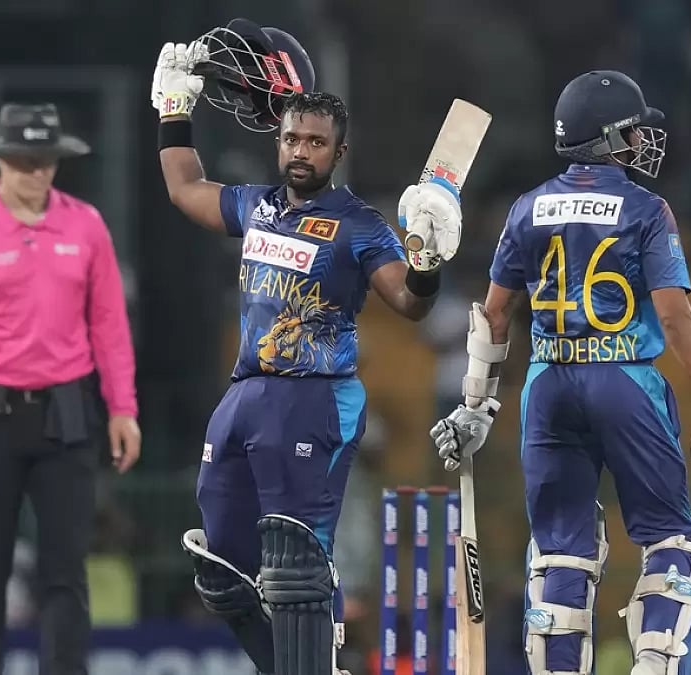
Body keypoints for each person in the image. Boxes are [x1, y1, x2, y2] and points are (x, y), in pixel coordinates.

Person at [150, 24, 464, 675]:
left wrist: (427, 261)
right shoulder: (257, 206)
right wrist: (174, 114)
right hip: (244, 394)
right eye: (292, 138)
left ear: (338, 152)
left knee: (295, 567)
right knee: (221, 568)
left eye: (316, 143)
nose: (301, 151)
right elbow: (185, 188)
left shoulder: (359, 225)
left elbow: (408, 300)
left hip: (314, 398)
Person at [428, 71, 691, 675]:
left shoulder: (527, 207)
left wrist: (475, 405)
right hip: (622, 379)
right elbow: (675, 315)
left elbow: (495, 314)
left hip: (546, 384)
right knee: (670, 539)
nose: (640, 141)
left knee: (560, 553)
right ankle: (654, 663)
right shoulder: (645, 209)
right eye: (631, 131)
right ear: (605, 137)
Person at [0, 102, 142, 675]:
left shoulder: (86, 226)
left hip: (67, 413)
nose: (37, 174)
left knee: (65, 568)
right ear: (0, 161)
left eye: (46, 162)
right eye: (25, 162)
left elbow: (109, 324)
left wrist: (123, 408)